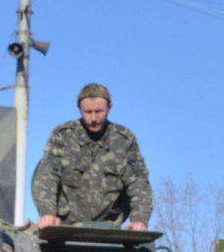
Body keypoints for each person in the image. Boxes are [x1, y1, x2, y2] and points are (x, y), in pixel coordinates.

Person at [32, 83, 152, 231]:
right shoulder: (64, 135)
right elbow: (47, 175)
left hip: (109, 229)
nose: (93, 118)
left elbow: (138, 182)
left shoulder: (124, 140)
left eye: (99, 111)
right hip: (66, 227)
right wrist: (47, 212)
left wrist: (140, 219)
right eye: (87, 112)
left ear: (110, 107)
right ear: (79, 109)